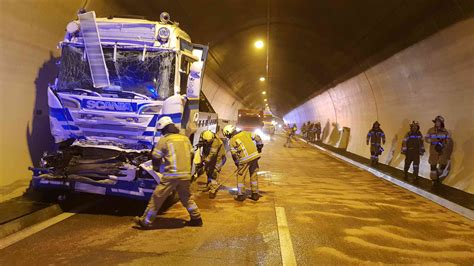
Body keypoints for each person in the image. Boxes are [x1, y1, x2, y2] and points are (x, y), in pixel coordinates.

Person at [134, 116, 202, 228]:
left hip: (171, 175)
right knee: (186, 198)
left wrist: (156, 168)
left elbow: (156, 156)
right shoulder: (184, 138)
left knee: (157, 197)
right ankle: (197, 219)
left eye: (161, 131)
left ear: (164, 129)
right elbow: (191, 155)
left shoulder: (165, 140)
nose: (161, 133)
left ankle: (146, 221)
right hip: (185, 175)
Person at [222, 125, 263, 201]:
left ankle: (240, 195)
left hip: (244, 159)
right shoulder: (246, 133)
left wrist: (237, 163)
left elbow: (234, 154)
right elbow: (257, 137)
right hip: (254, 156)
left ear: (228, 132)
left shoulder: (232, 140)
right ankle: (255, 194)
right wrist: (259, 146)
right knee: (253, 175)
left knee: (240, 176)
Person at [195, 130, 226, 199]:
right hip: (211, 157)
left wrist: (203, 162)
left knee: (214, 173)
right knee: (208, 171)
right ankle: (208, 186)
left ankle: (213, 190)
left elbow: (212, 154)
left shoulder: (216, 142)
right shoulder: (203, 135)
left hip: (219, 159)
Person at [425, 115, 453, 184]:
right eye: (436, 122)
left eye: (438, 122)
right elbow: (426, 139)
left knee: (443, 164)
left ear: (441, 123)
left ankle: (437, 175)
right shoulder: (431, 130)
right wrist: (433, 140)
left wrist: (444, 143)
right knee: (433, 165)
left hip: (442, 151)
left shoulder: (445, 131)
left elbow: (448, 141)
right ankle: (434, 180)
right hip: (433, 150)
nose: (437, 123)